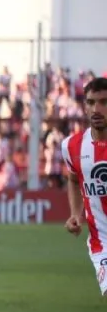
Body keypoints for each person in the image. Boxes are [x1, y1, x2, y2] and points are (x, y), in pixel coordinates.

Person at [63, 77, 107, 297]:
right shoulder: (72, 146)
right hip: (102, 242)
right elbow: (73, 178)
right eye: (91, 102)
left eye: (104, 102)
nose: (96, 109)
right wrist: (75, 214)